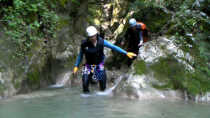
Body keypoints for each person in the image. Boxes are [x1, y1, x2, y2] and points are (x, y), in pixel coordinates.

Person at [73, 26, 136, 93]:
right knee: (85, 84)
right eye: (91, 37)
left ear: (96, 34)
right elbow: (80, 55)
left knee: (102, 85)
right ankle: (87, 99)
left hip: (99, 64)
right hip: (88, 65)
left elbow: (113, 47)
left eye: (94, 36)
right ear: (88, 37)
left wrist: (126, 53)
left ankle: (94, 81)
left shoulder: (101, 41)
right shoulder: (84, 44)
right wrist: (76, 66)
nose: (93, 38)